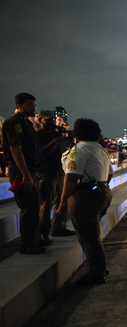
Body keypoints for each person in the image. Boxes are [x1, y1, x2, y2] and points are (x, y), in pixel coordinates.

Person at [57, 118, 113, 285]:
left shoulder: (78, 150)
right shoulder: (101, 150)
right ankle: (100, 268)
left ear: (78, 133)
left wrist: (63, 201)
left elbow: (72, 176)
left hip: (85, 196)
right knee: (93, 235)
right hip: (103, 192)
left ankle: (96, 275)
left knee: (88, 237)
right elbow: (110, 174)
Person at [2, 93, 48, 254]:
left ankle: (33, 240)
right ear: (19, 105)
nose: (34, 108)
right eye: (30, 105)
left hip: (31, 170)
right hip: (22, 171)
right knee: (28, 207)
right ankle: (27, 244)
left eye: (34, 105)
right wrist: (26, 174)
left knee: (34, 207)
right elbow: (15, 149)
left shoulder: (26, 123)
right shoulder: (14, 123)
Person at [36, 110, 63, 243]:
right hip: (47, 171)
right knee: (46, 203)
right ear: (40, 121)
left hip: (60, 169)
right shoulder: (38, 135)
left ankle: (59, 227)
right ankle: (44, 232)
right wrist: (55, 142)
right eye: (47, 120)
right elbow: (40, 152)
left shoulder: (57, 133)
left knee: (61, 200)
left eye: (52, 119)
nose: (51, 122)